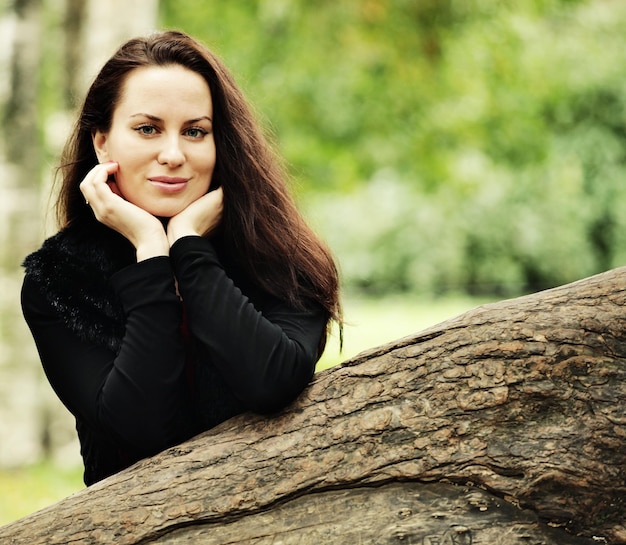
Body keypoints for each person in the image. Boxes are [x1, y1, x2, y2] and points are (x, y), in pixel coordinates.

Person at [21, 30, 342, 486]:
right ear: (103, 143)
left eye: (195, 132)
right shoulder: (58, 280)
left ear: (221, 144)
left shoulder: (280, 254)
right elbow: (142, 432)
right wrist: (152, 248)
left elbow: (271, 380)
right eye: (147, 129)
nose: (173, 154)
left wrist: (189, 246)